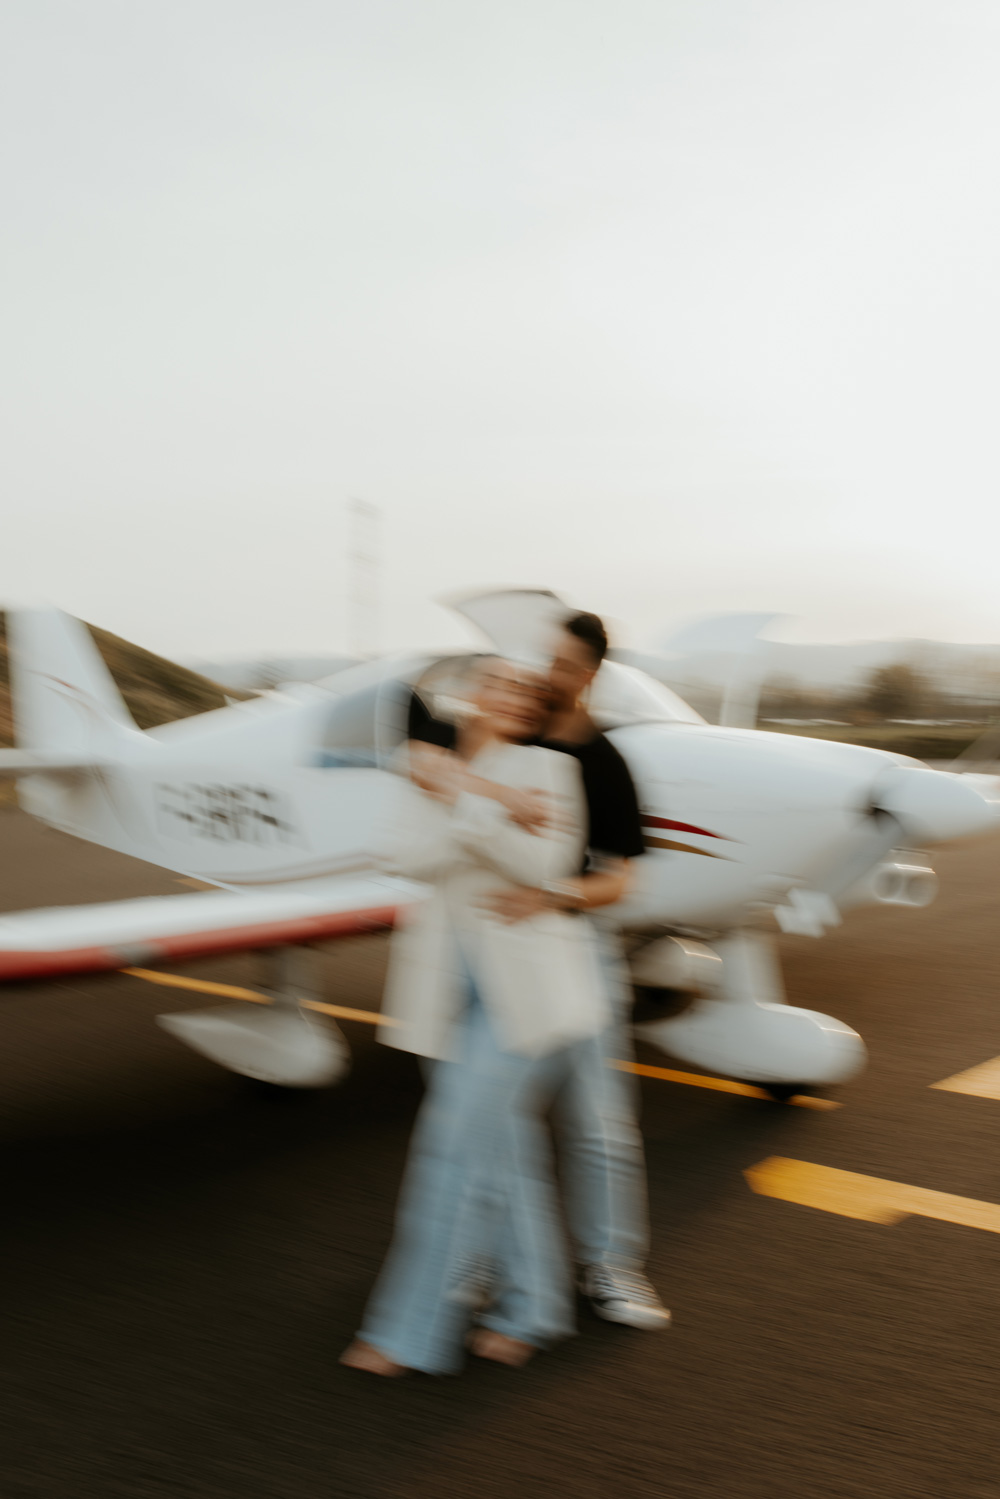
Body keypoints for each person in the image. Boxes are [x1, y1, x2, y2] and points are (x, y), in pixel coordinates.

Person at [341, 657, 608, 1376]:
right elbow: (406, 856)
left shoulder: (550, 770)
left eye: (529, 690)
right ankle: (534, 1309)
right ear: (467, 696)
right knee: (503, 1157)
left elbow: (543, 863)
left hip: (528, 994)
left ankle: (405, 1333)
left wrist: (462, 796)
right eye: (501, 684)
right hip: (446, 993)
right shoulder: (429, 767)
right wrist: (484, 801)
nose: (518, 697)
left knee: (451, 1151)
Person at [408, 614, 670, 1331]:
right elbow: (419, 750)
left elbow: (623, 882)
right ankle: (483, 1265)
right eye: (539, 660)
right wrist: (492, 791)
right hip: (475, 942)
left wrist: (550, 893)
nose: (543, 676)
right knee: (487, 1122)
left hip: (569, 946)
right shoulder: (479, 726)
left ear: (588, 675)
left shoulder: (602, 759)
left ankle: (613, 1266)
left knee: (601, 1120)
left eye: (561, 664)